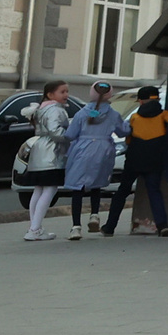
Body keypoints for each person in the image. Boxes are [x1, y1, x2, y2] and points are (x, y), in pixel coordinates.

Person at [61, 82, 128, 241]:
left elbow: (70, 134)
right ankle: (94, 215)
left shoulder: (81, 114)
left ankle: (76, 227)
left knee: (78, 186)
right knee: (96, 183)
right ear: (110, 95)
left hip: (82, 148)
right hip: (104, 149)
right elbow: (123, 130)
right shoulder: (113, 114)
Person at [104, 86, 168, 236]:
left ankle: (109, 227)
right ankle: (162, 225)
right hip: (155, 160)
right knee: (154, 192)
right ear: (158, 99)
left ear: (140, 102)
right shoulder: (165, 116)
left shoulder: (135, 118)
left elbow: (128, 139)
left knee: (122, 191)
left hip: (134, 160)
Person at [18, 81, 73, 241]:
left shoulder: (40, 109)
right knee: (50, 189)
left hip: (39, 150)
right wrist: (71, 134)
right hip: (52, 152)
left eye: (67, 91)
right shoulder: (55, 109)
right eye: (62, 92)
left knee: (39, 189)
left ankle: (34, 227)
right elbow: (56, 132)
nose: (66, 95)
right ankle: (35, 229)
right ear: (50, 94)